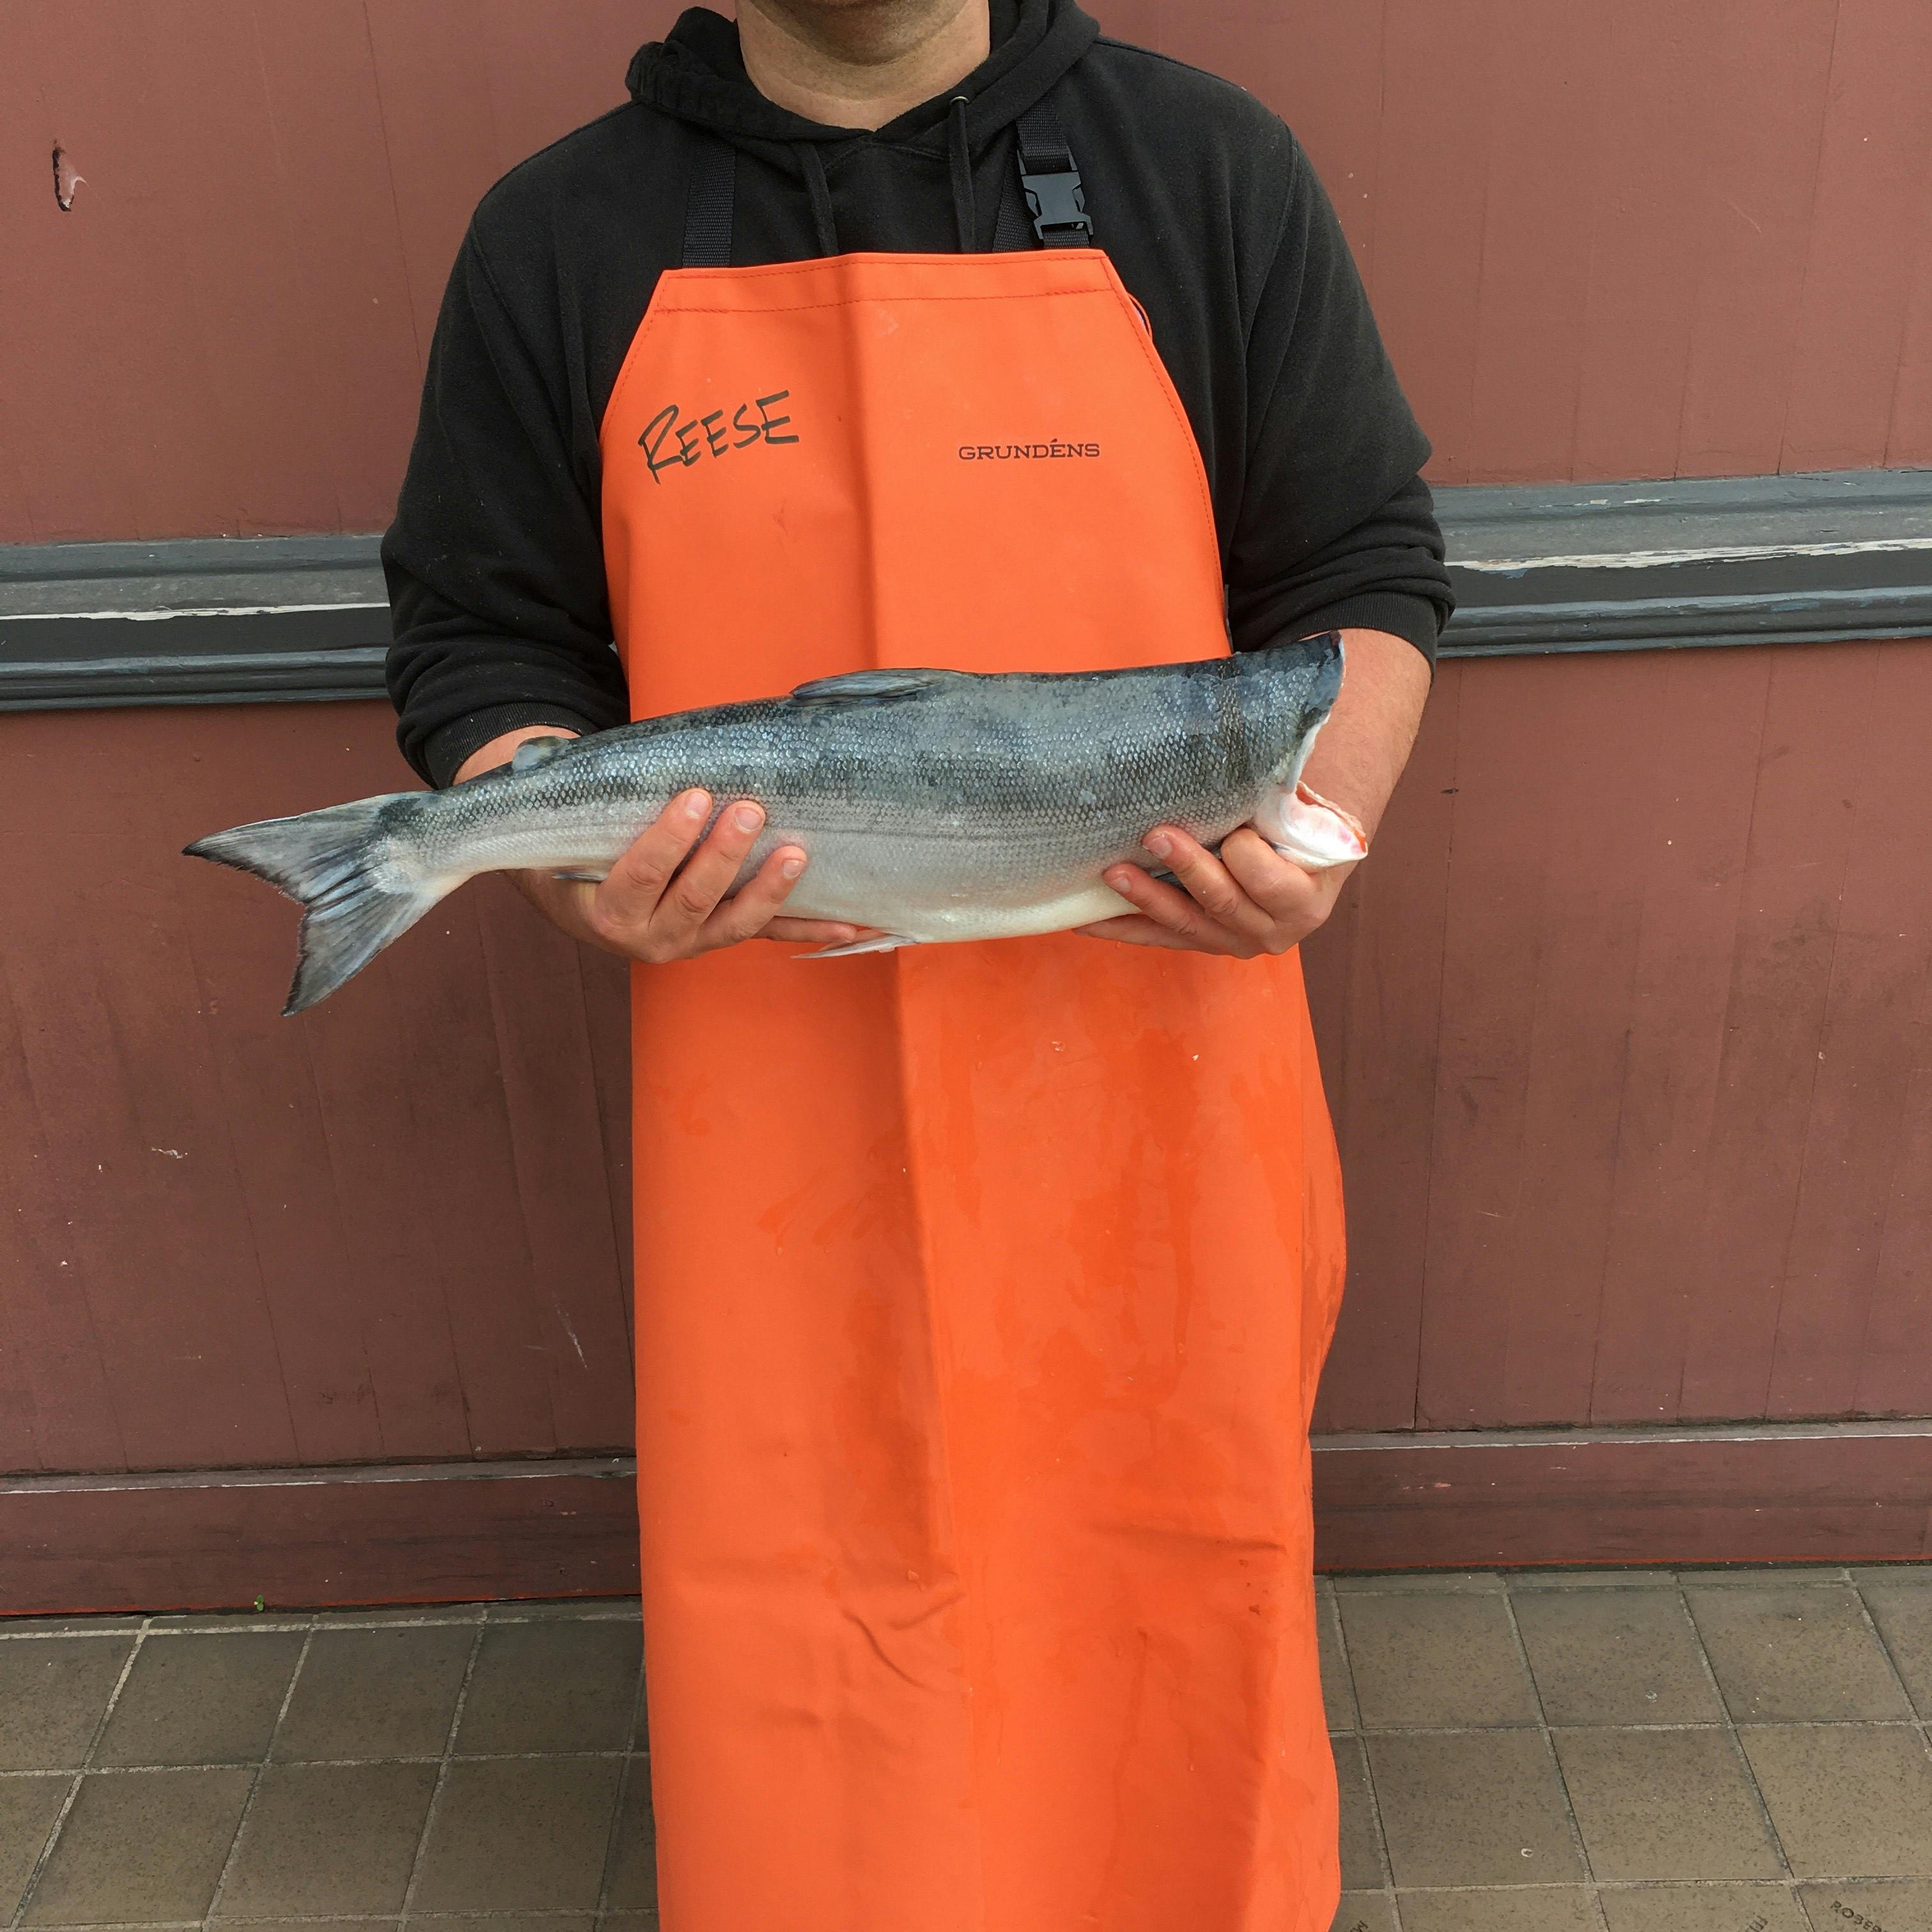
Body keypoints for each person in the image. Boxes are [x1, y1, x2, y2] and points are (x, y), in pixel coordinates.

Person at [383, 3, 1452, 1926]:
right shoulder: (558, 233)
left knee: (1169, 1548)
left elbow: (1363, 568)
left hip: (1160, 1058)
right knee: (807, 1567)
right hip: (766, 1082)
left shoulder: (1209, 171)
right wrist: (558, 868)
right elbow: (481, 643)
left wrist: (1325, 831)